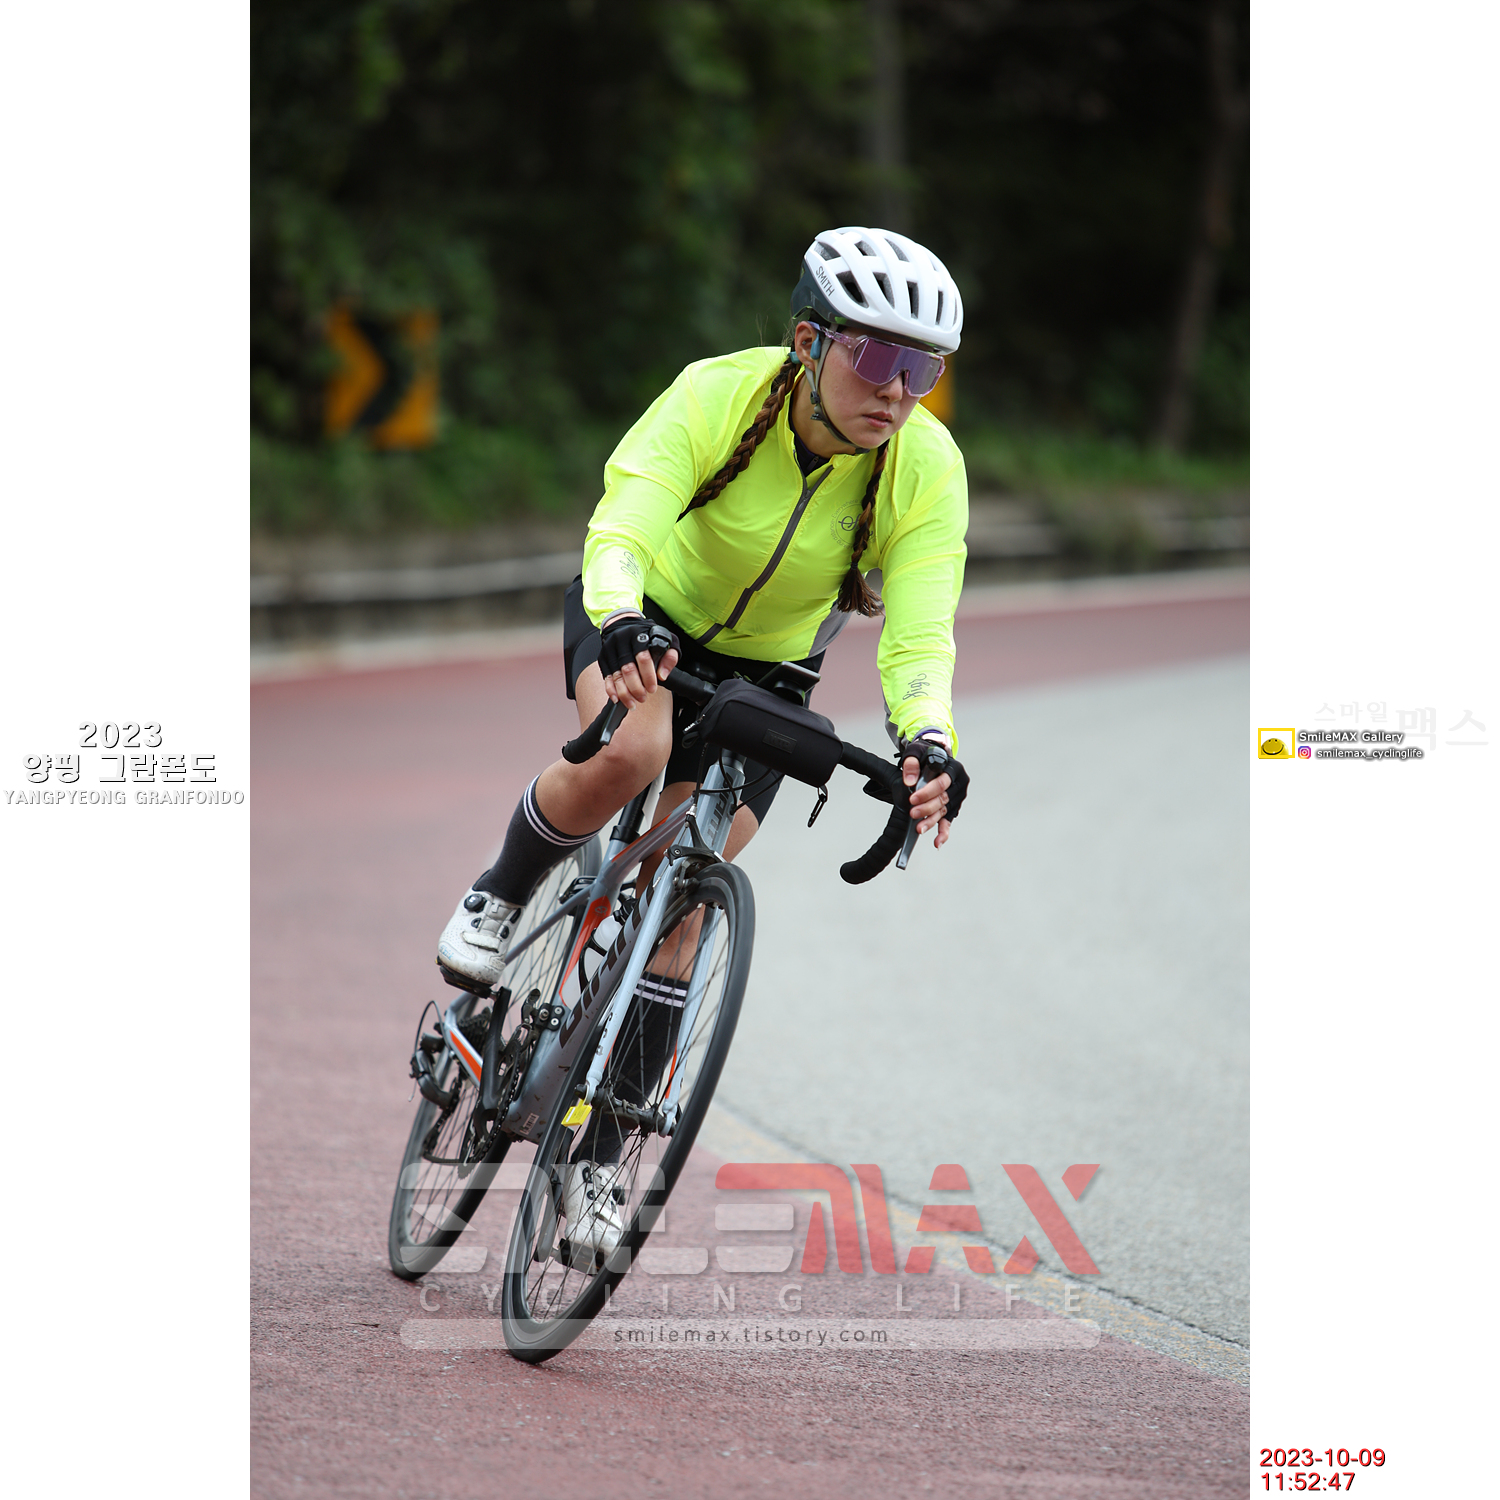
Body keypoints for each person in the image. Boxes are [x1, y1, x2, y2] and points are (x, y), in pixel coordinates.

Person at [434, 226, 973, 1262]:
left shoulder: (924, 468)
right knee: (633, 753)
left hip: (769, 674)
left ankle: (599, 1162)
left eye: (926, 370)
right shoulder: (718, 395)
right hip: (643, 615)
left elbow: (920, 631)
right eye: (878, 357)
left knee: (689, 884)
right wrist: (620, 616)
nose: (900, 392)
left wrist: (929, 739)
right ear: (810, 342)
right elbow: (626, 519)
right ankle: (500, 894)